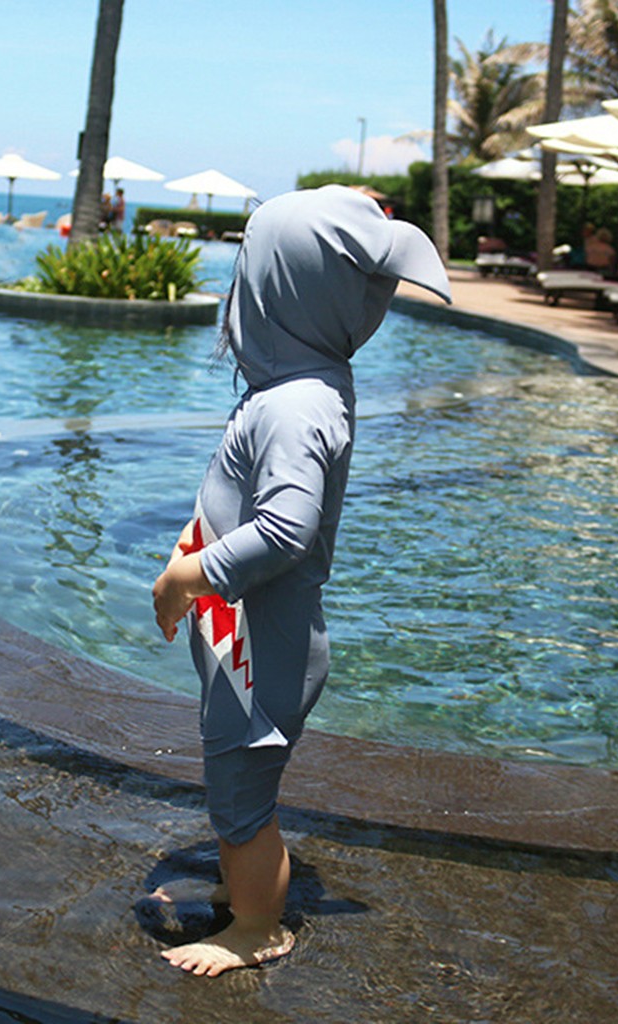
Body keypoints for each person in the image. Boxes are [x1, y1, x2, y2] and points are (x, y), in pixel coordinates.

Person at [151, 185, 451, 977]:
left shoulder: (292, 407)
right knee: (233, 781)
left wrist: (191, 573)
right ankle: (244, 884)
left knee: (241, 801)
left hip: (265, 647)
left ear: (274, 291)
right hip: (250, 636)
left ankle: (256, 929)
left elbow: (287, 528)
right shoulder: (298, 390)